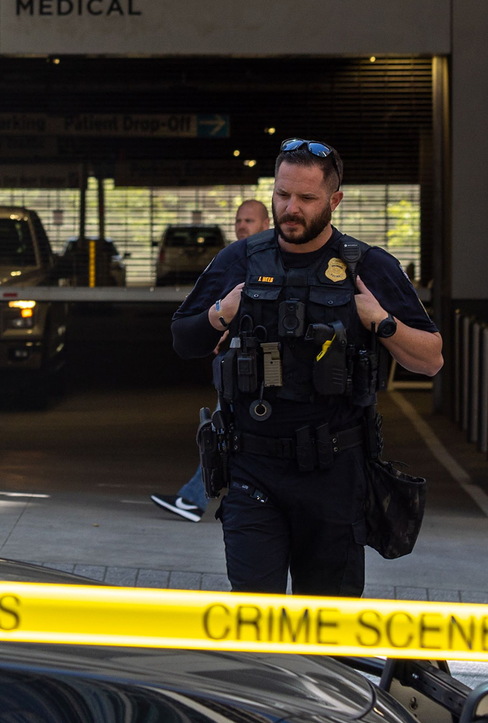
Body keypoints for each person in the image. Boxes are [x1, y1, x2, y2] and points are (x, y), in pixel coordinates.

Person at [170, 140, 443, 597]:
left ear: (335, 201)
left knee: (327, 633)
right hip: (253, 471)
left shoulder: (367, 265)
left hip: (334, 477)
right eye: (282, 195)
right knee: (257, 626)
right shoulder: (241, 260)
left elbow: (430, 358)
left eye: (306, 198)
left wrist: (382, 322)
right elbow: (183, 339)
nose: (290, 208)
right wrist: (222, 311)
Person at [153, 197, 270, 522]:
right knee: (223, 430)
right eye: (238, 220)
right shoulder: (232, 261)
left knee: (224, 432)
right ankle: (197, 498)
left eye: (249, 220)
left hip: (260, 366)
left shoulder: (269, 261)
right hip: (235, 362)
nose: (242, 226)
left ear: (266, 225)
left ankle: (196, 498)